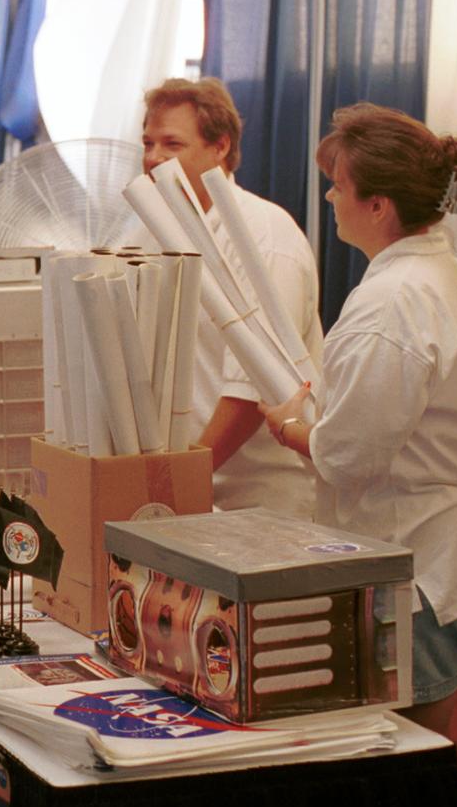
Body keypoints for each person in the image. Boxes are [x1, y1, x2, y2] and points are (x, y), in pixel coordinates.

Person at [259, 103, 457, 774]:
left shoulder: (394, 300)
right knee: (415, 751)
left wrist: (292, 428)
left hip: (429, 563)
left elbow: (348, 457)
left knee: (403, 768)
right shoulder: (443, 273)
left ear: (377, 205)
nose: (328, 196)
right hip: (456, 547)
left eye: (338, 186)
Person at [135, 77, 322, 519]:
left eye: (171, 145)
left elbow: (252, 390)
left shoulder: (263, 237)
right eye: (147, 143)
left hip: (262, 499)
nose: (152, 159)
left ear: (220, 148)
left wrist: (176, 482)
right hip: (190, 486)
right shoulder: (145, 234)